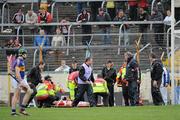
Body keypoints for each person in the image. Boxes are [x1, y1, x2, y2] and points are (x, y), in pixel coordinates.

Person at [11, 48, 32, 116]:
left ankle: (22, 109)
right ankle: (13, 112)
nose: (26, 55)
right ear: (22, 54)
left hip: (22, 79)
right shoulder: (18, 61)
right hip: (18, 80)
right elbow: (17, 73)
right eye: (25, 54)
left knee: (29, 91)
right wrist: (20, 81)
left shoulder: (21, 60)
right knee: (16, 95)